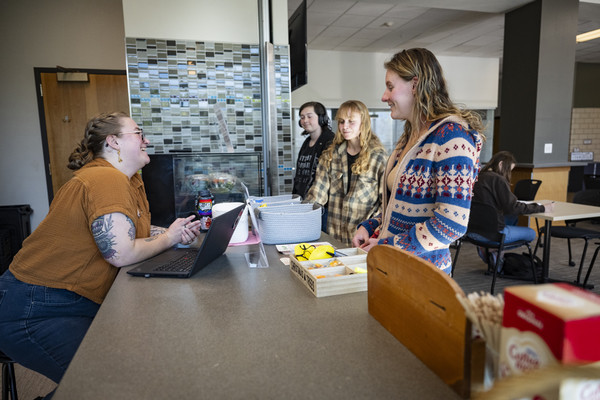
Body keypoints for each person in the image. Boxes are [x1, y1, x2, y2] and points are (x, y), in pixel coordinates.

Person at [0, 112, 202, 397]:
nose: (146, 140)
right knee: (108, 387)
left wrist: (174, 233)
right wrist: (169, 238)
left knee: (133, 370)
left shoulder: (127, 180)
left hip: (68, 301)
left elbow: (132, 233)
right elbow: (120, 252)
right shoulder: (106, 179)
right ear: (113, 142)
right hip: (34, 309)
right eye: (138, 133)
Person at [351, 48, 483, 275]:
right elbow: (402, 207)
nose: (384, 96)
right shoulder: (410, 137)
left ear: (415, 84)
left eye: (390, 87)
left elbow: (451, 224)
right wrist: (371, 226)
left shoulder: (452, 137)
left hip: (423, 275)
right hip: (394, 267)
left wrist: (387, 247)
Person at [304, 100, 387, 245]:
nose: (345, 126)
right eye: (341, 122)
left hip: (364, 240)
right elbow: (316, 195)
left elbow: (385, 204)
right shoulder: (330, 155)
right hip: (335, 238)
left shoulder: (378, 158)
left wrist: (373, 230)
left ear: (364, 123)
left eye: (351, 121)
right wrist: (299, 218)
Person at [469, 151, 553, 263]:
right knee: (531, 233)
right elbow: (513, 207)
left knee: (512, 217)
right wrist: (543, 208)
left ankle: (494, 252)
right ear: (500, 164)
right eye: (509, 170)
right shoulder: (498, 179)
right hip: (492, 233)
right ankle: (495, 250)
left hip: (473, 231)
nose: (508, 174)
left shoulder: (478, 176)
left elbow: (508, 208)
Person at [292, 101, 335, 199]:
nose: (305, 120)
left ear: (321, 118)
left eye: (309, 116)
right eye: (302, 117)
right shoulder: (306, 142)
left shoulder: (330, 141)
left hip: (320, 203)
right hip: (302, 200)